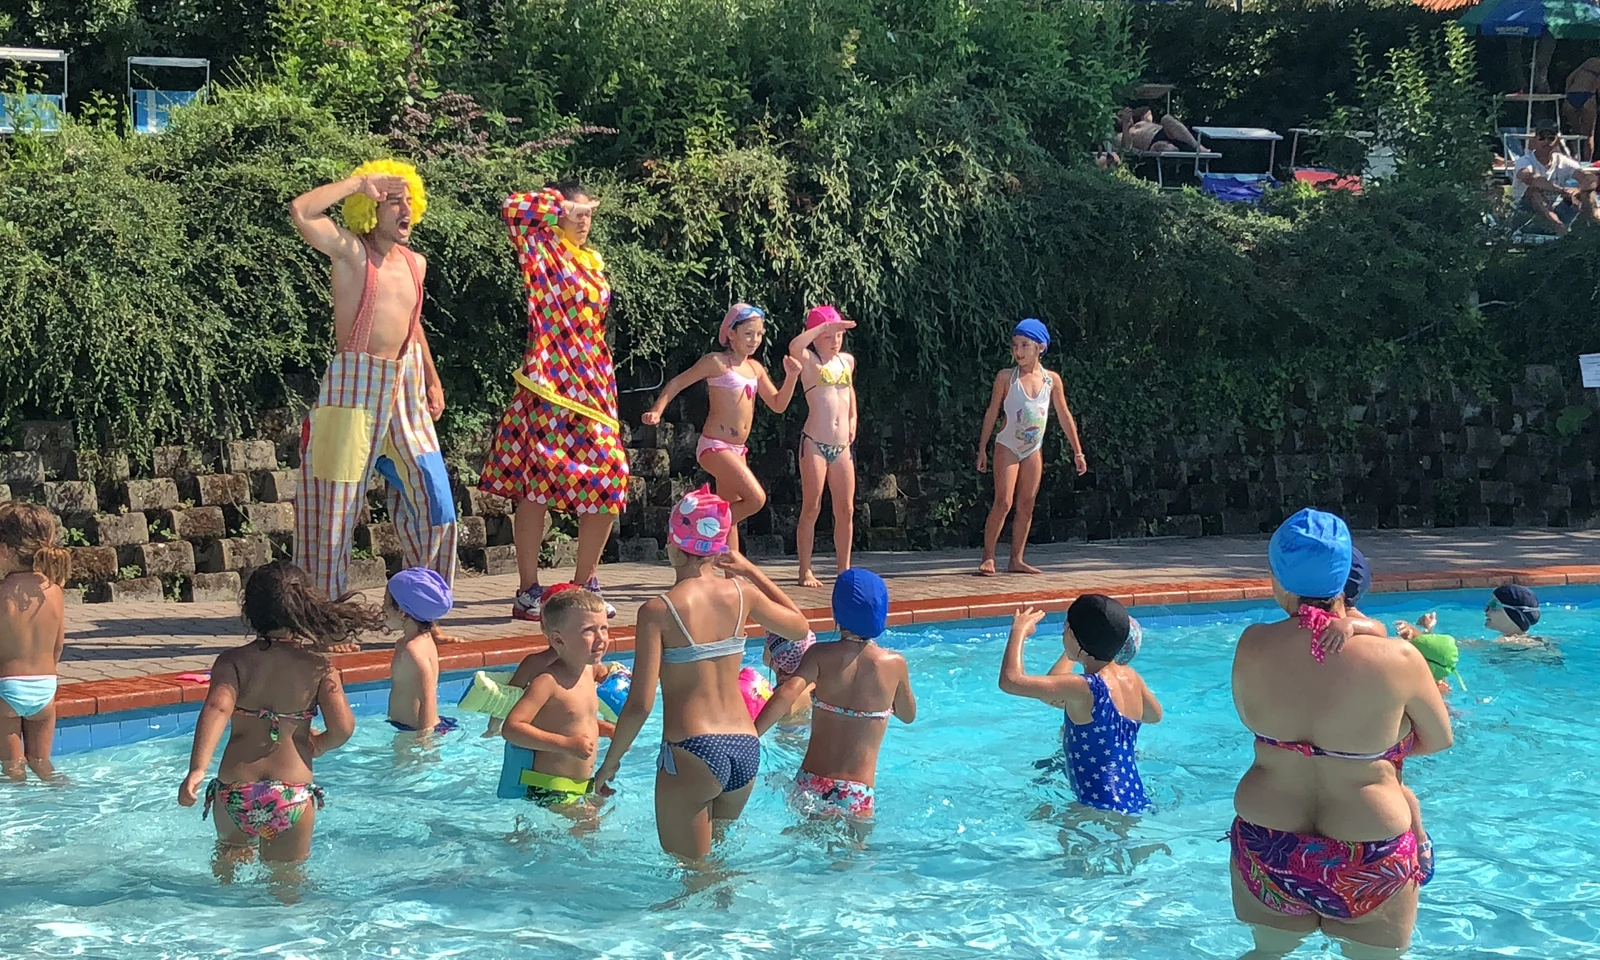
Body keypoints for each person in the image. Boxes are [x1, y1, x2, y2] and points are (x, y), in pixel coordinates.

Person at [1230, 508, 1451, 959]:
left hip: (1267, 843)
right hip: (1368, 851)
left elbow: (1254, 716)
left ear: (1278, 578)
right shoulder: (1397, 660)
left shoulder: (1252, 645)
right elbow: (1440, 739)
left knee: (1267, 954)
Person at [595, 485, 811, 860]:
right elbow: (800, 628)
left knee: (693, 876)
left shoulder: (658, 611)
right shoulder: (743, 594)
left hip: (693, 749)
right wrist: (750, 571)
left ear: (672, 547)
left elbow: (640, 704)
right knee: (720, 865)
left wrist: (610, 762)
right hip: (745, 747)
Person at [288, 162, 458, 632]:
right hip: (353, 387)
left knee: (435, 500)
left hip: (404, 385)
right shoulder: (351, 253)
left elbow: (412, 324)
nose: (406, 210)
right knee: (333, 508)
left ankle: (421, 609)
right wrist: (352, 185)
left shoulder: (415, 262)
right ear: (371, 210)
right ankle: (323, 621)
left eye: (409, 201)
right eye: (393, 201)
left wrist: (431, 377)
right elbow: (301, 211)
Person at [479, 180, 629, 624]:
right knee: (536, 485)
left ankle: (584, 586)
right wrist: (559, 203)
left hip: (593, 384)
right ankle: (528, 590)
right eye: (576, 213)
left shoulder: (590, 260)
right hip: (549, 382)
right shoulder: (541, 248)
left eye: (589, 214)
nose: (585, 221)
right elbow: (512, 205)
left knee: (610, 477)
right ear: (557, 212)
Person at [178, 562, 365, 876]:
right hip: (291, 793)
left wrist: (196, 769)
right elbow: (344, 728)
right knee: (287, 879)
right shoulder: (318, 666)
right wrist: (317, 744)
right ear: (304, 609)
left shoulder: (232, 662)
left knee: (229, 863)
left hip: (235, 789)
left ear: (249, 610)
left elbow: (217, 710)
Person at [755, 569, 915, 820]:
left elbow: (787, 692)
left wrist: (752, 735)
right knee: (854, 855)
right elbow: (907, 715)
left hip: (810, 781)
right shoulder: (894, 664)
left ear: (835, 614)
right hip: (856, 791)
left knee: (803, 843)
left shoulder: (819, 655)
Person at [641, 303, 801, 552]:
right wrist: (657, 410)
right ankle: (695, 529)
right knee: (756, 499)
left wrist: (791, 377)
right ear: (731, 334)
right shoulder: (716, 362)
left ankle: (731, 573)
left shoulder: (755, 369)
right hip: (714, 446)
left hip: (738, 450)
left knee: (729, 508)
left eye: (759, 334)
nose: (754, 340)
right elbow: (677, 383)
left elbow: (779, 404)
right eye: (748, 333)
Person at [1000, 595, 1161, 815]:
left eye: (1065, 628)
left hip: (1098, 805)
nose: (1062, 633)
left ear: (1076, 640)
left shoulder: (1085, 688)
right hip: (1135, 797)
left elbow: (1011, 681)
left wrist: (1018, 632)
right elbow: (1155, 715)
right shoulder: (1131, 678)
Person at [975, 319, 1089, 576]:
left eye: (1025, 345)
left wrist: (1077, 451)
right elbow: (992, 413)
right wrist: (982, 448)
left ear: (1040, 347)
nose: (1018, 351)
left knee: (1026, 503)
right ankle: (988, 556)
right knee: (1003, 502)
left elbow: (1064, 415)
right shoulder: (1006, 377)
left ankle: (1016, 558)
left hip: (1032, 449)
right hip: (1008, 445)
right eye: (1015, 345)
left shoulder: (1052, 381)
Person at [500, 587, 611, 813]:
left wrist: (606, 729)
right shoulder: (547, 682)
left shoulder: (589, 672)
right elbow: (511, 728)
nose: (601, 638)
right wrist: (566, 745)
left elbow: (574, 720)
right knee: (589, 833)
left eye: (604, 628)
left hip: (581, 787)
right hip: (549, 789)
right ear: (558, 640)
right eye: (588, 630)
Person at [788, 305, 859, 588]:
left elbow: (849, 392)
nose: (835, 340)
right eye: (829, 335)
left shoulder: (847, 362)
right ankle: (805, 569)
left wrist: (853, 419)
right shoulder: (808, 360)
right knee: (812, 506)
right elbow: (794, 346)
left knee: (846, 509)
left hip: (841, 445)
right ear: (816, 336)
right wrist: (820, 327)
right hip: (815, 442)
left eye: (839, 334)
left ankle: (844, 569)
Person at [0, 502, 70, 783]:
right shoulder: (54, 591)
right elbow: (58, 646)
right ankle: (64, 796)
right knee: (42, 763)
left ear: (4, 550)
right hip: (45, 688)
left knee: (12, 768)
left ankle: (18, 821)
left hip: (7, 689)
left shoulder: (3, 593)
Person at [384, 568, 458, 736]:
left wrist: (424, 737)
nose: (383, 609)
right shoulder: (414, 641)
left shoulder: (413, 650)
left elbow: (428, 698)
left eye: (386, 603)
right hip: (407, 726)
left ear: (402, 612)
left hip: (417, 728)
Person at [1512, 126, 1600, 236]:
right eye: (1542, 138)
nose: (1546, 142)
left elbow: (1590, 179)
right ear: (1534, 141)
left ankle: (1590, 230)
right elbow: (1530, 179)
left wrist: (1578, 190)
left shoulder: (1562, 161)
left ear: (1556, 141)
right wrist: (1560, 190)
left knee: (1589, 192)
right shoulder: (1524, 161)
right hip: (1525, 216)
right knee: (1533, 192)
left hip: (1553, 211)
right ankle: (1560, 229)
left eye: (1551, 138)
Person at [1117, 105, 1206, 154]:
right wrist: (1125, 123)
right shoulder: (1120, 135)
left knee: (1166, 118)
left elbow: (1146, 110)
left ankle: (1197, 146)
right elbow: (1126, 148)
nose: (1125, 116)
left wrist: (1132, 112)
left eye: (1125, 114)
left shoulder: (1142, 122)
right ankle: (1177, 151)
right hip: (1154, 144)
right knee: (1163, 147)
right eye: (1121, 116)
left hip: (1165, 133)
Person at [1562, 58, 1600, 160]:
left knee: (1575, 133)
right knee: (1588, 136)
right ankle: (1587, 163)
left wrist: (1568, 95)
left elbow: (1569, 78)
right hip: (1588, 96)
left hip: (1571, 96)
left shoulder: (1589, 62)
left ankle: (1574, 158)